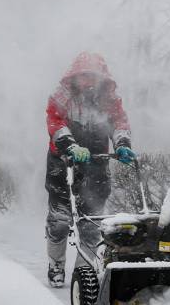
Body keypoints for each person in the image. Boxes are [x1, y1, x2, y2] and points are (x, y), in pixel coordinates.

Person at [44, 52, 136, 288]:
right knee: (60, 219)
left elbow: (119, 122)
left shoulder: (109, 99)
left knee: (92, 220)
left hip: (96, 161)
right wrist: (71, 145)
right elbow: (55, 122)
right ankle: (56, 264)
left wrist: (123, 143)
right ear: (74, 76)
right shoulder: (62, 96)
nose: (88, 81)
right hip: (62, 161)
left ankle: (83, 273)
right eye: (83, 75)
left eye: (92, 75)